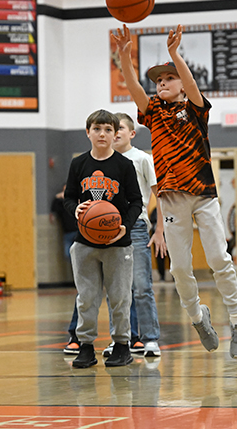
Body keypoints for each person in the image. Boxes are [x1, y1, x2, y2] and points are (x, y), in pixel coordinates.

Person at [111, 24, 237, 359]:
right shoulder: (153, 113)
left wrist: (174, 54)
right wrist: (125, 57)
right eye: (158, 80)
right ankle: (198, 318)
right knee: (179, 268)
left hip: (202, 194)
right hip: (172, 199)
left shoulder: (196, 108)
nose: (161, 83)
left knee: (219, 259)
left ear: (182, 85)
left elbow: (192, 85)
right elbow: (134, 88)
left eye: (168, 79)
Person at [62, 109, 143, 368]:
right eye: (97, 129)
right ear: (88, 132)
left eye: (108, 130)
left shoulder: (124, 165)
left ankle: (122, 346)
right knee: (86, 298)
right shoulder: (78, 164)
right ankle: (85, 346)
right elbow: (68, 198)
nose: (102, 134)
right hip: (85, 243)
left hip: (117, 244)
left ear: (115, 134)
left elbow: (136, 202)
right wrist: (75, 209)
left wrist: (125, 226)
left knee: (120, 298)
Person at [99, 112, 166, 358]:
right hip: (109, 228)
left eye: (119, 129)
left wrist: (160, 230)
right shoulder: (104, 160)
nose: (115, 133)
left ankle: (150, 339)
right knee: (116, 290)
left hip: (136, 226)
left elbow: (160, 195)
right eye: (111, 129)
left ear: (132, 133)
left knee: (141, 287)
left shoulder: (142, 159)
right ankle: (120, 340)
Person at [51, 184, 84, 355]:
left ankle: (124, 338)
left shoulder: (82, 201)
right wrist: (60, 196)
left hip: (82, 232)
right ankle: (75, 336)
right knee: (69, 257)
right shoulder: (65, 203)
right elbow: (55, 207)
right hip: (70, 235)